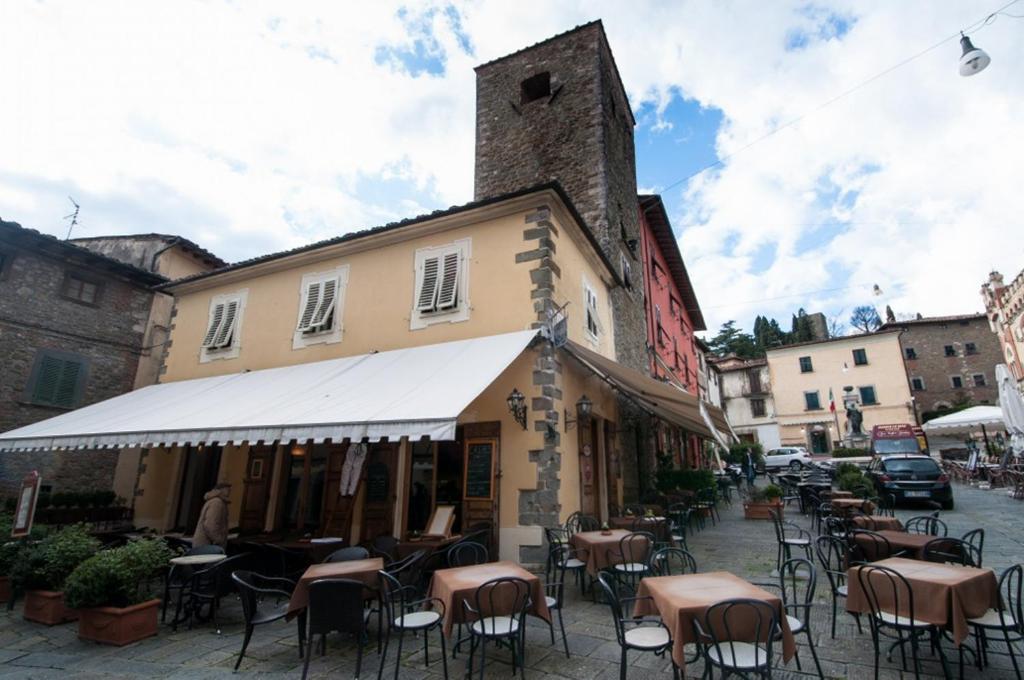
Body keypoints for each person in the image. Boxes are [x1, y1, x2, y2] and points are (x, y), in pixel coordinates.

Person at [192, 483, 231, 548]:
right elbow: (210, 524)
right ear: (221, 490)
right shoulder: (217, 503)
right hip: (208, 545)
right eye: (227, 489)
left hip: (206, 544)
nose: (229, 491)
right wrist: (218, 539)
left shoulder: (215, 501)